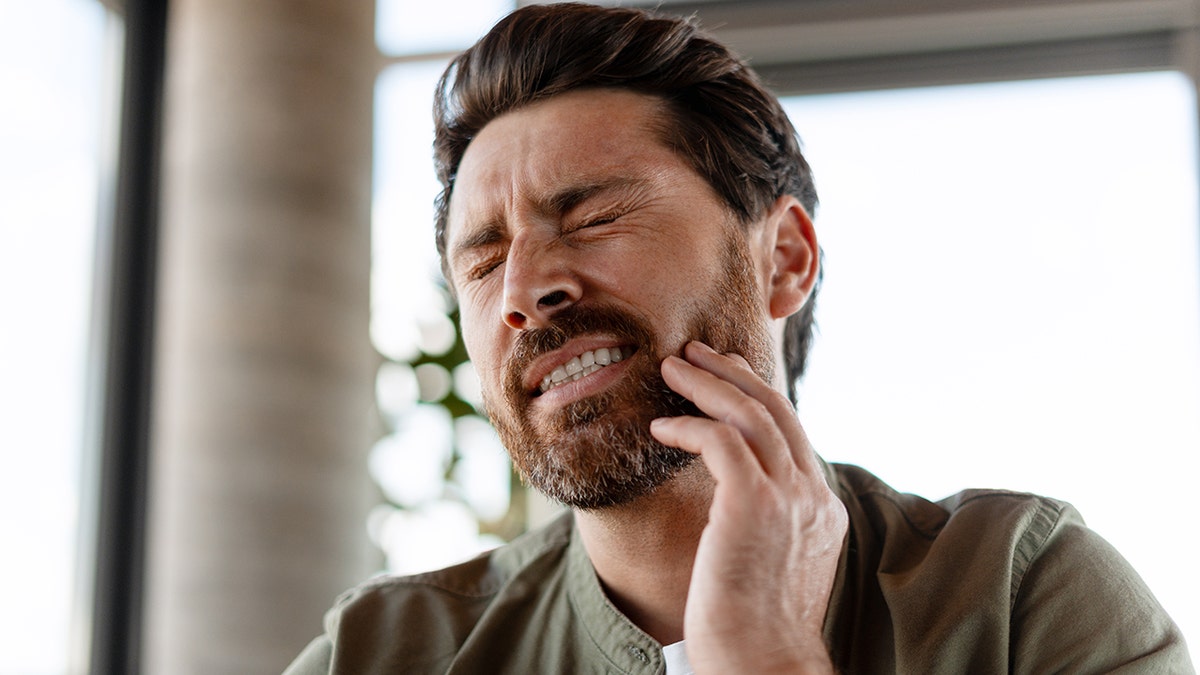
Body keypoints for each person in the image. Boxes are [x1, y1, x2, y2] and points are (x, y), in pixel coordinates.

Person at [285, 3, 1192, 673]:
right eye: (481, 264)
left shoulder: (1024, 598)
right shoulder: (378, 652)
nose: (524, 290)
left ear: (785, 260)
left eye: (594, 214)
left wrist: (766, 650)